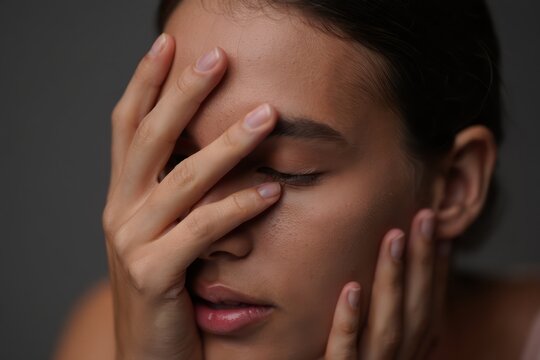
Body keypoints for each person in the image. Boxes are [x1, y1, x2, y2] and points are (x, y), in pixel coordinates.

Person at [54, 0, 540, 359]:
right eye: (181, 165)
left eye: (288, 170)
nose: (205, 235)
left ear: (455, 184)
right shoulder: (117, 336)